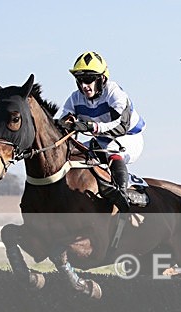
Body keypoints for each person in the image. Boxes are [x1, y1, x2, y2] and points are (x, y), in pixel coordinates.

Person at [58, 51, 147, 211]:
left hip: (129, 137)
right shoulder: (75, 98)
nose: (84, 86)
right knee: (74, 154)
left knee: (111, 149)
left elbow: (121, 126)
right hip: (101, 140)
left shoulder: (115, 93)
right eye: (80, 80)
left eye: (89, 80)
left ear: (102, 78)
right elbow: (63, 123)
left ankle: (122, 195)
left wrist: (90, 126)